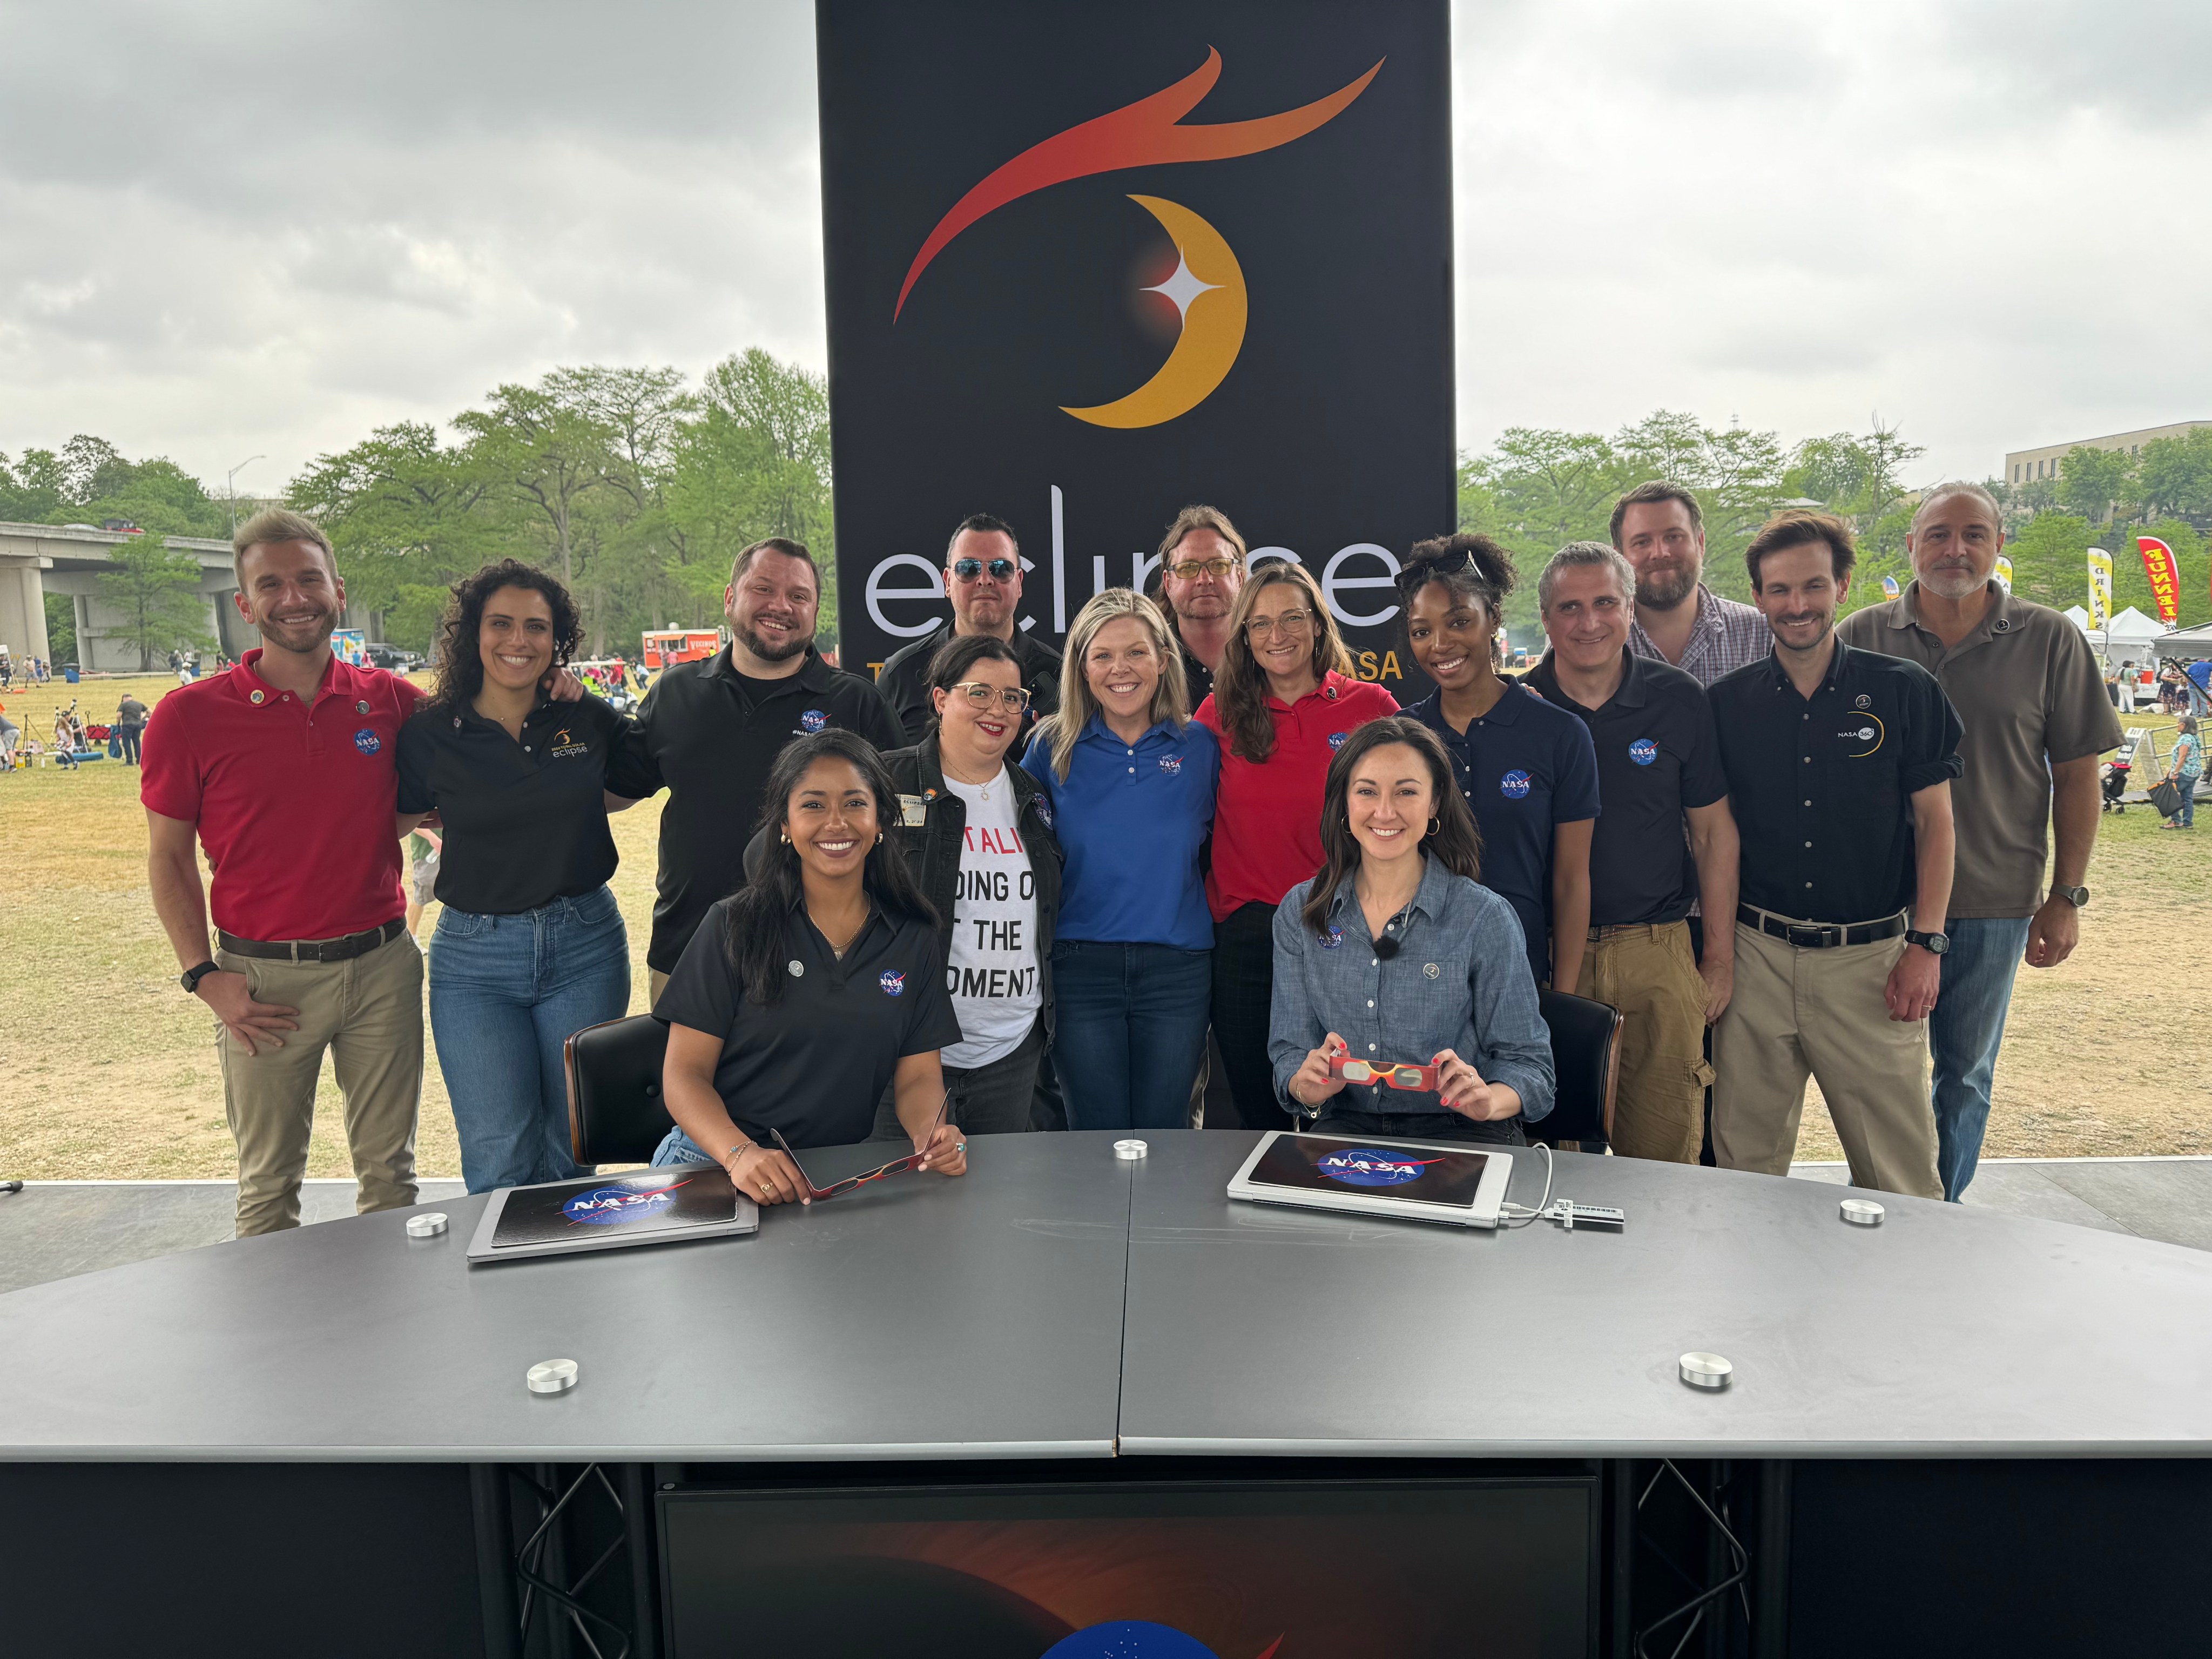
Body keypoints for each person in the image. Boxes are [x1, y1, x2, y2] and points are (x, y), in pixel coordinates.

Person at [141, 509, 586, 1236]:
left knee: (390, 1179)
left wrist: (553, 692)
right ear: (244, 604)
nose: (294, 597)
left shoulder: (391, 702)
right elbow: (167, 857)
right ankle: (275, 1346)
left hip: (382, 966)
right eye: (272, 584)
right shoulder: (188, 716)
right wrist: (203, 974)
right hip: (262, 980)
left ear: (337, 591)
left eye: (309, 579)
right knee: (268, 1186)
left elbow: (485, 765)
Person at [1836, 483, 2122, 1199]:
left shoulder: (2050, 638)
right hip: (1882, 904)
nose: (1954, 549)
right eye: (1937, 534)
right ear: (1910, 546)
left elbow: (2078, 776)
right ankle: (1880, 1204)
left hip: (1993, 900)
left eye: (1973, 534)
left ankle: (1941, 1210)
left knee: (1963, 1073)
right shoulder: (1862, 636)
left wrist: (2067, 895)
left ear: (1999, 547)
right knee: (1877, 1074)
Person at [1708, 511, 1960, 1199]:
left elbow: (1937, 826)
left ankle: (1902, 1306)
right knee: (1741, 1173)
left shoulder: (1903, 690)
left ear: (1842, 587)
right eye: (1780, 590)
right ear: (1757, 596)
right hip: (1756, 957)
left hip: (1871, 963)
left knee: (1901, 1181)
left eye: (1813, 586)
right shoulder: (1725, 707)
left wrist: (1927, 944)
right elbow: (1714, 836)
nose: (1797, 605)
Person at [396, 561, 657, 1194]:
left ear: (556, 640)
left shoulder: (586, 719)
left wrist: (582, 695)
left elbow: (631, 784)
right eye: (502, 624)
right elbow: (394, 823)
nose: (519, 640)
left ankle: (571, 1293)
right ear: (473, 634)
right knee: (497, 1154)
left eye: (536, 627)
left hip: (585, 947)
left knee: (573, 1146)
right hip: (473, 962)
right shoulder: (432, 732)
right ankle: (508, 1293)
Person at [650, 729, 968, 1204]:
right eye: (814, 805)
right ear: (784, 824)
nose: (836, 823)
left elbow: (919, 1077)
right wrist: (740, 1154)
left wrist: (931, 1134)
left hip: (827, 1177)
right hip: (713, 1164)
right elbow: (683, 1076)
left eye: (855, 803)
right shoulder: (733, 925)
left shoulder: (913, 937)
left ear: (881, 818)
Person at [1526, 541, 1740, 1163]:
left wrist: (1718, 959)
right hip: (1546, 958)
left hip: (1658, 950)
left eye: (1604, 604)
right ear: (1545, 619)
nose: (1588, 622)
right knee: (1552, 1155)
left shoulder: (1678, 699)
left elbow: (1712, 833)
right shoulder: (1518, 709)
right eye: (1569, 607)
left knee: (1665, 1155)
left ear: (1630, 610)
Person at [631, 537, 903, 1000]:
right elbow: (612, 788)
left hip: (823, 961)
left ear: (816, 611)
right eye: (764, 588)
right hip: (687, 953)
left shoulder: (857, 703)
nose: (781, 606)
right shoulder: (676, 693)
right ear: (730, 597)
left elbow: (899, 824)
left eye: (799, 596)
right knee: (681, 1075)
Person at [1271, 717, 1555, 1143]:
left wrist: (1489, 1100)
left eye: (1406, 792)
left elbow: (1532, 1067)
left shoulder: (1485, 917)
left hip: (1463, 1129)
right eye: (1367, 791)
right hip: (1347, 1125)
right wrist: (1304, 1085)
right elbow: (1290, 1053)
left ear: (1435, 802)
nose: (1385, 812)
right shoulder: (1300, 911)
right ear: (1344, 803)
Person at [1193, 561, 1397, 1129]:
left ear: (1317, 624)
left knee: (1348, 1104)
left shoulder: (1369, 707)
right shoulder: (1218, 715)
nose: (1276, 636)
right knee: (1260, 1109)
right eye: (1259, 624)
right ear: (1243, 638)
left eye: (1291, 618)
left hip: (1343, 929)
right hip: (1247, 937)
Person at [1021, 589, 1219, 1131]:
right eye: (1102, 656)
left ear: (1162, 658)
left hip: (1177, 971)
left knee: (1167, 1135)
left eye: (1135, 652)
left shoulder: (1201, 746)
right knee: (1095, 1140)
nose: (1119, 669)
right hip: (1080, 969)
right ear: (1081, 669)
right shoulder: (1049, 748)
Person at [868, 632, 1063, 1134]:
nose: (996, 709)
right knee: (903, 1205)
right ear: (940, 698)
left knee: (994, 1207)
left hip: (1011, 1054)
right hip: (904, 1053)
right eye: (979, 692)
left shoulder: (1032, 798)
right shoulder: (885, 784)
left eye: (1012, 697)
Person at [1398, 534, 1597, 992]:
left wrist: (1562, 995)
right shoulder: (1401, 736)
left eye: (1459, 622)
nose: (1440, 644)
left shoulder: (1561, 734)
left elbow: (1570, 880)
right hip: (1416, 981)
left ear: (1494, 620)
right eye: (1421, 631)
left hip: (1520, 977)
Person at [873, 513, 1063, 743]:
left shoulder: (1060, 676)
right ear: (947, 582)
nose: (985, 579)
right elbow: (876, 773)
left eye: (1000, 568)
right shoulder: (900, 675)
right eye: (968, 568)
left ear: (1020, 583)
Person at [1611, 482, 1771, 687]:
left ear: (1700, 543)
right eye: (1642, 542)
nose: (1660, 552)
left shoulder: (1760, 633)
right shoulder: (1598, 641)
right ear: (1618, 556)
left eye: (1673, 537)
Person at [1152, 504, 1250, 707]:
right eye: (1188, 568)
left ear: (1240, 578)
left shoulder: (1268, 653)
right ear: (1168, 583)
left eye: (1219, 565)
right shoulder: (1149, 662)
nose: (1204, 579)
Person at [2164, 717, 2201, 830]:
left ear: (2184, 725)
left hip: (2184, 772)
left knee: (2171, 794)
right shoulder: (2195, 738)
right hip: (2194, 772)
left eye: (2178, 724)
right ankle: (2188, 822)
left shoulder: (2185, 739)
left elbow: (2182, 756)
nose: (2177, 726)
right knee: (2187, 797)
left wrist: (2176, 772)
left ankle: (2176, 820)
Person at [113, 692, 149, 766]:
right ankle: (139, 760)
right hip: (138, 725)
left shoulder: (123, 705)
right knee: (137, 742)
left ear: (124, 699)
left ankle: (129, 761)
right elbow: (150, 712)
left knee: (127, 743)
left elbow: (119, 715)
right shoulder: (139, 704)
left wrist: (118, 724)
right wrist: (142, 719)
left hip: (127, 725)